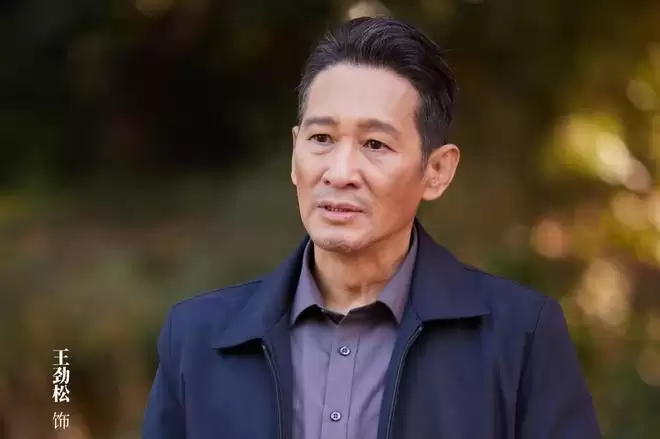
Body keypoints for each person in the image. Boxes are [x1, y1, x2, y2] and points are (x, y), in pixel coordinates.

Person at [142, 16, 601, 439]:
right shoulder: (196, 339)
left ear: (437, 171)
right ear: (295, 154)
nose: (340, 172)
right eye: (321, 139)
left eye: (375, 144)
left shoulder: (519, 339)